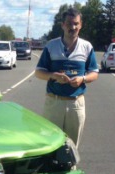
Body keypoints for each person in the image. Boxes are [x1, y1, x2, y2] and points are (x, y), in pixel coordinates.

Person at [35, 7, 99, 156]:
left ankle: (69, 173)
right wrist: (54, 76)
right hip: (54, 102)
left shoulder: (87, 47)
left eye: (76, 24)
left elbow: (94, 73)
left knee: (72, 146)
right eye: (69, 24)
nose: (73, 27)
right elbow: (39, 72)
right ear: (63, 25)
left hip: (76, 103)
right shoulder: (51, 46)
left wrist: (82, 78)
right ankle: (50, 173)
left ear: (81, 25)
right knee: (50, 143)